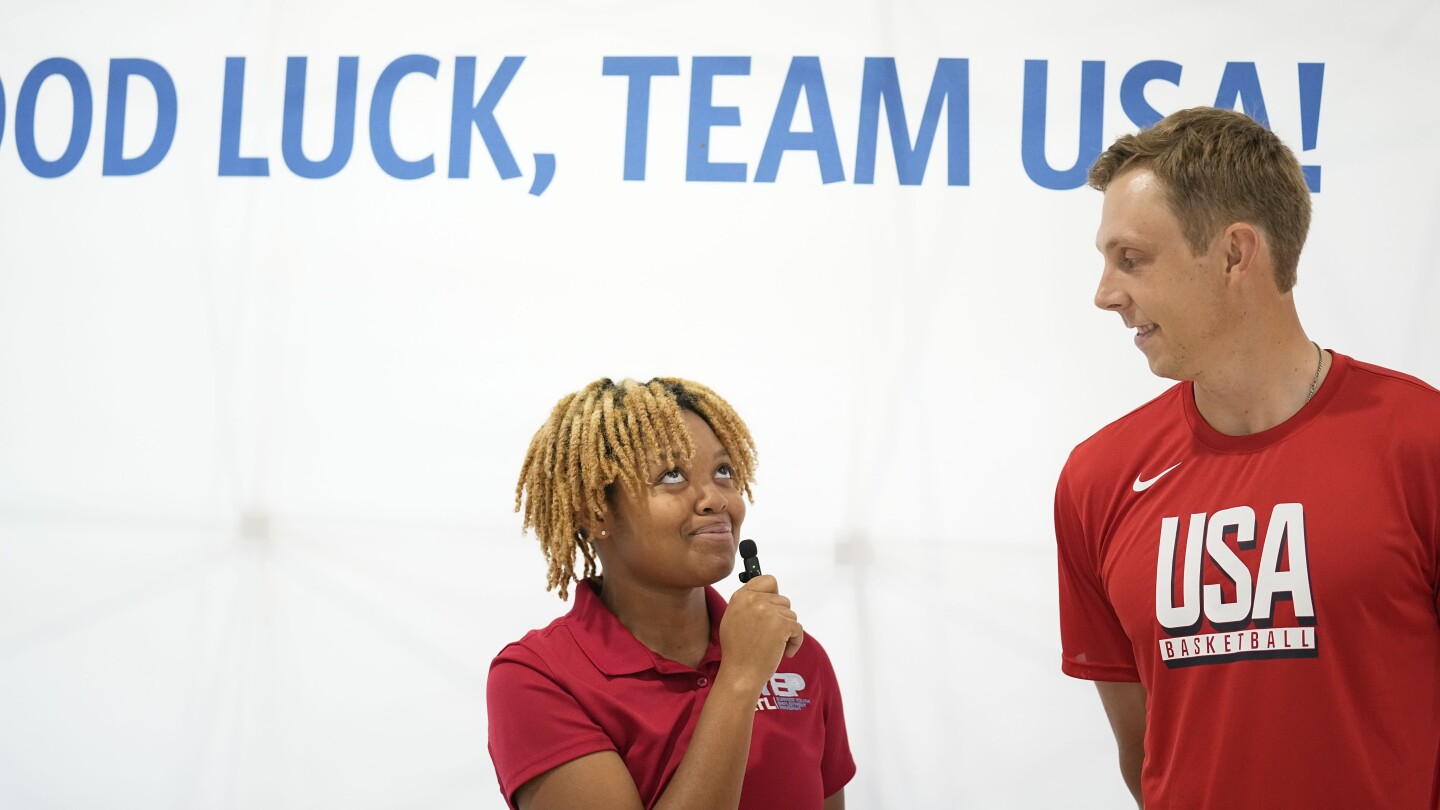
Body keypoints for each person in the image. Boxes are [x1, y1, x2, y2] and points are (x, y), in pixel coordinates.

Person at [1055, 106, 1440, 807]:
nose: (1106, 294)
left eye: (1131, 259)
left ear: (1235, 253)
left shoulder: (1420, 443)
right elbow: (1149, 755)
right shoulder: (1097, 480)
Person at [488, 377, 855, 810]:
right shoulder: (538, 677)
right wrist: (739, 679)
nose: (716, 499)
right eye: (672, 475)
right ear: (595, 512)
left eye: (723, 471)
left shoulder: (797, 657)